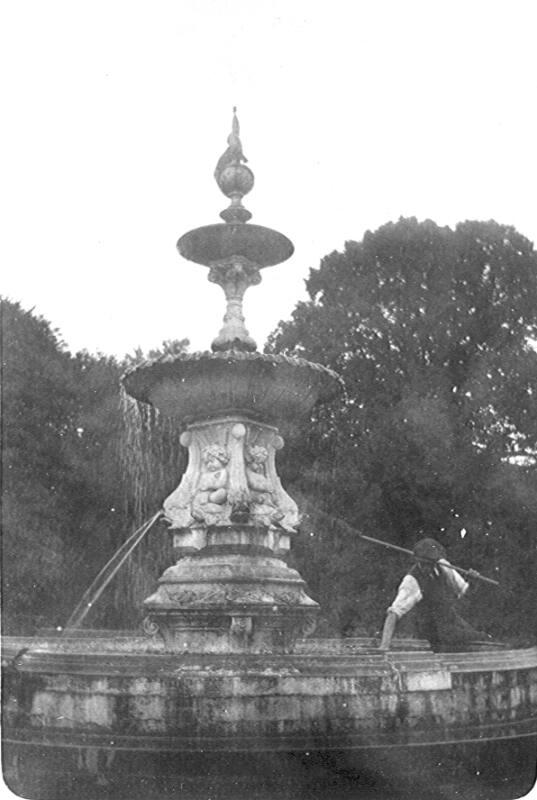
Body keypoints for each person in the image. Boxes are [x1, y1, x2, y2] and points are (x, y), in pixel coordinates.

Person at [379, 537, 490, 652]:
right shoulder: (412, 580)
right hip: (433, 631)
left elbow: (465, 592)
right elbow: (394, 613)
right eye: (423, 564)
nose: (427, 568)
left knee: (483, 638)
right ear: (417, 560)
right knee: (469, 641)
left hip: (451, 621)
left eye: (430, 564)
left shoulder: (444, 566)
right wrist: (384, 646)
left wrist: (472, 580)